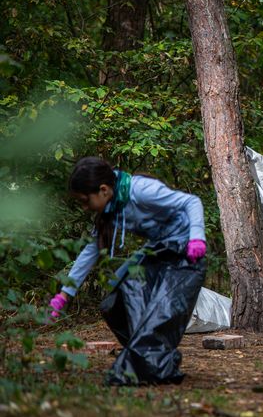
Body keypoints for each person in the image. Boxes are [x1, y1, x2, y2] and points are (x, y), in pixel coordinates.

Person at [48, 156, 207, 384]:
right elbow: (91, 251)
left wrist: (197, 238)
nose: (85, 208)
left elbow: (191, 202)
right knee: (116, 303)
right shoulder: (112, 208)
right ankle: (152, 359)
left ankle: (147, 363)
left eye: (85, 201)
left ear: (103, 190)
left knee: (161, 313)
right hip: (158, 252)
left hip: (186, 253)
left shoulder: (142, 190)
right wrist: (65, 294)